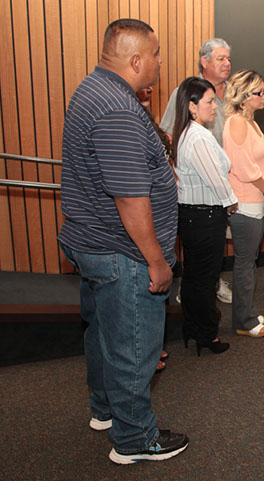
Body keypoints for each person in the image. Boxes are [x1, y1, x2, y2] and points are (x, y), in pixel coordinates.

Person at [58, 18, 188, 464]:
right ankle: (133, 439)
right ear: (136, 60)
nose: (158, 62)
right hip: (122, 252)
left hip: (91, 240)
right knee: (134, 346)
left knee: (103, 335)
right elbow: (131, 199)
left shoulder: (94, 88)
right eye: (155, 54)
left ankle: (105, 411)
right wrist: (157, 260)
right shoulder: (117, 109)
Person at [161, 38, 233, 303]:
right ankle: (195, 291)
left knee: (218, 240)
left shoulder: (234, 93)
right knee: (200, 242)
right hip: (198, 181)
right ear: (204, 61)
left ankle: (213, 281)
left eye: (228, 59)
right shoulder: (187, 92)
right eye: (220, 59)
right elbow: (168, 133)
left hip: (227, 174)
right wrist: (175, 173)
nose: (227, 64)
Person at [173, 77, 239, 355]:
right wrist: (232, 203)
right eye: (210, 101)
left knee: (194, 276)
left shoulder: (187, 132)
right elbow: (215, 179)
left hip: (192, 215)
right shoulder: (199, 136)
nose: (215, 107)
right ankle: (206, 334)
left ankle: (194, 327)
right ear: (191, 105)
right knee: (205, 278)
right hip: (204, 217)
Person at [223, 70, 264, 338]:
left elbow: (260, 161)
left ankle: (246, 311)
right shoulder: (235, 122)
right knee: (245, 264)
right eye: (259, 92)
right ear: (244, 97)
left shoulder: (252, 123)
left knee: (250, 262)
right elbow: (243, 167)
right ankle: (243, 322)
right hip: (245, 202)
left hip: (258, 200)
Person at [137, 86, 173, 372]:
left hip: (162, 224)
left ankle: (155, 345)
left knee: (156, 298)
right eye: (142, 90)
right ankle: (147, 352)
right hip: (146, 225)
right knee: (147, 292)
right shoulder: (127, 120)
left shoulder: (149, 121)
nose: (148, 92)